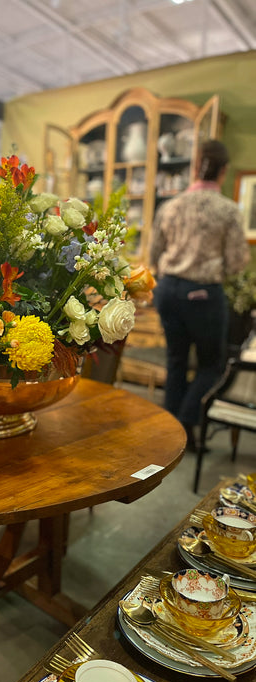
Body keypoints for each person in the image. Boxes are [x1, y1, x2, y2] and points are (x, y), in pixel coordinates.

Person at [150, 139, 251, 451]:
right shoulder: (227, 210)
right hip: (203, 295)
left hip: (167, 291)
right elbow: (237, 261)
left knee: (177, 360)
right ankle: (185, 423)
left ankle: (172, 433)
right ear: (222, 171)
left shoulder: (170, 206)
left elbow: (154, 253)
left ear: (195, 167)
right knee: (212, 366)